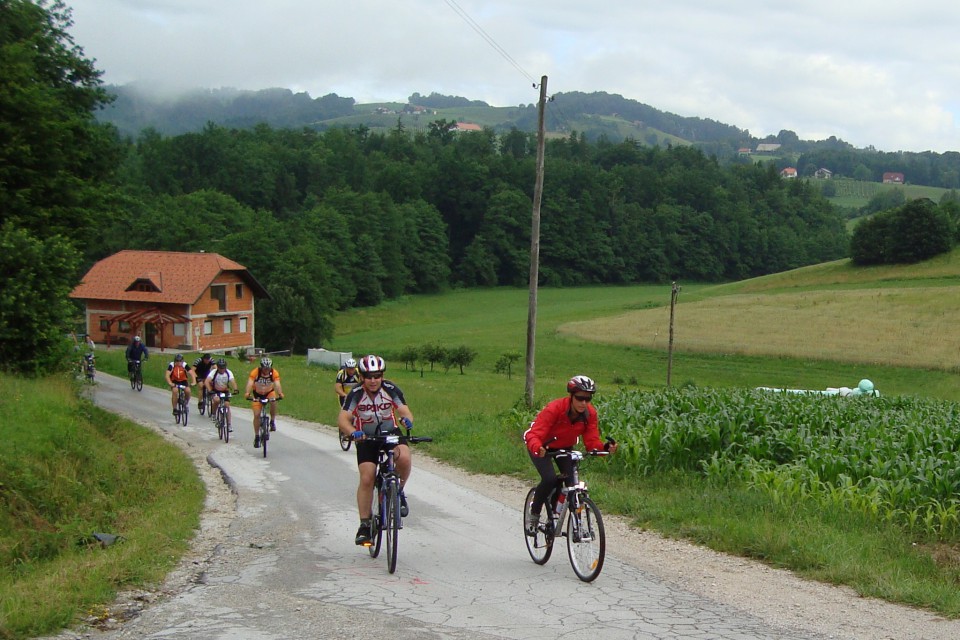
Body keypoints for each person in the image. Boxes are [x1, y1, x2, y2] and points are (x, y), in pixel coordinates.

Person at [522, 375, 617, 535]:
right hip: (542, 445)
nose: (584, 403)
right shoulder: (555, 409)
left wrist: (605, 448)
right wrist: (538, 447)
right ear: (571, 396)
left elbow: (592, 441)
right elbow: (533, 434)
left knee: (571, 482)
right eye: (580, 398)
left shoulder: (589, 414)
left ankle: (560, 517)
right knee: (549, 479)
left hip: (564, 447)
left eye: (588, 399)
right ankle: (534, 514)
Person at [337, 354, 415, 546]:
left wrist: (407, 421)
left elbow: (405, 411)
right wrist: (353, 432)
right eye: (369, 376)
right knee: (367, 476)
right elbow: (343, 419)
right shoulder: (355, 393)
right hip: (365, 436)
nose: (373, 380)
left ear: (382, 375)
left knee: (404, 458)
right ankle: (364, 525)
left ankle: (398, 492)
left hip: (390, 433)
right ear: (362, 376)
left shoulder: (391, 389)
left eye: (377, 375)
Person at [244, 357, 284, 448]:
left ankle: (272, 421)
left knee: (273, 402)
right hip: (257, 394)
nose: (267, 370)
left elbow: (277, 384)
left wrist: (280, 393)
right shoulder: (255, 372)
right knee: (257, 414)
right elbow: (250, 383)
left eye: (268, 368)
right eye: (265, 368)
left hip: (269, 392)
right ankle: (257, 436)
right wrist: (247, 393)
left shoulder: (274, 373)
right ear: (261, 367)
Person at [205, 358, 239, 430]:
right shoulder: (214, 372)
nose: (222, 369)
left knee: (227, 405)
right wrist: (210, 390)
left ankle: (229, 424)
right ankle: (213, 414)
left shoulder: (228, 372)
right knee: (216, 400)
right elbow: (207, 381)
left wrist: (235, 389)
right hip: (215, 390)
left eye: (223, 368)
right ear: (218, 367)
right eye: (220, 368)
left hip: (225, 391)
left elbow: (233, 381)